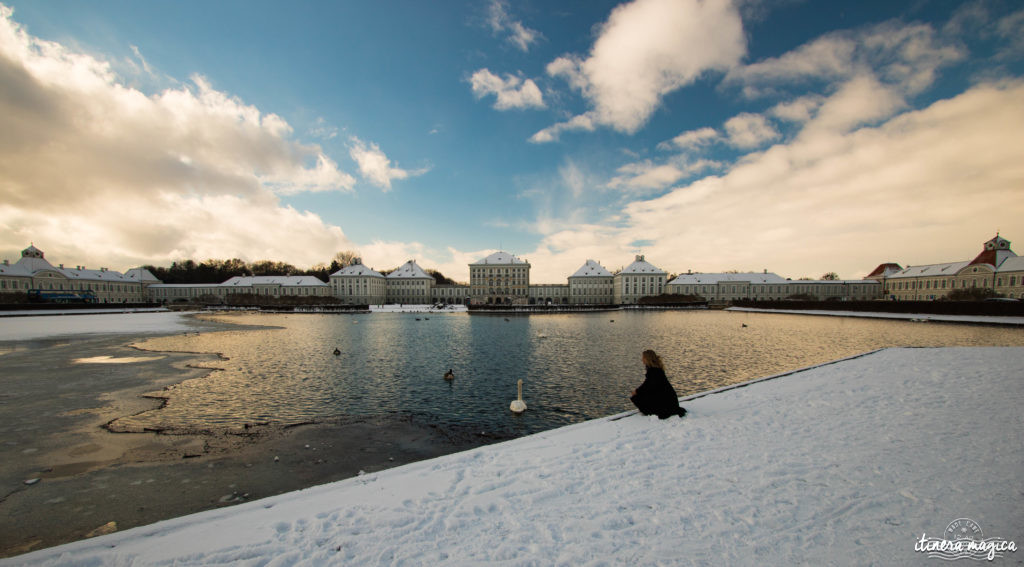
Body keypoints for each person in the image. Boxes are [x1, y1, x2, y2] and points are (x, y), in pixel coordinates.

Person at [630, 350, 686, 419]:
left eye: (643, 358)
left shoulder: (654, 371)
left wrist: (637, 391)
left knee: (636, 397)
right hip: (668, 399)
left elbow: (647, 386)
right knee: (640, 395)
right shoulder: (656, 369)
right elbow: (648, 385)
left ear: (647, 359)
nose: (642, 360)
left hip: (665, 401)